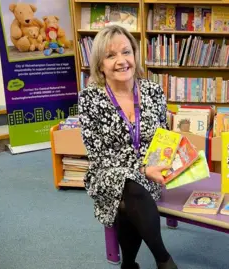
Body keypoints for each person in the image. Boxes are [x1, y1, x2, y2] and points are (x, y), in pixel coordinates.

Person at [78, 25, 178, 269]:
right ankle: (164, 259)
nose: (121, 61)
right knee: (128, 187)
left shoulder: (153, 90)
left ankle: (129, 264)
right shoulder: (89, 99)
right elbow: (99, 156)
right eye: (111, 56)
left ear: (135, 55)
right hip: (108, 173)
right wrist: (142, 170)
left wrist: (160, 163)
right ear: (100, 65)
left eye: (126, 52)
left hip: (150, 173)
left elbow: (163, 137)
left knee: (129, 197)